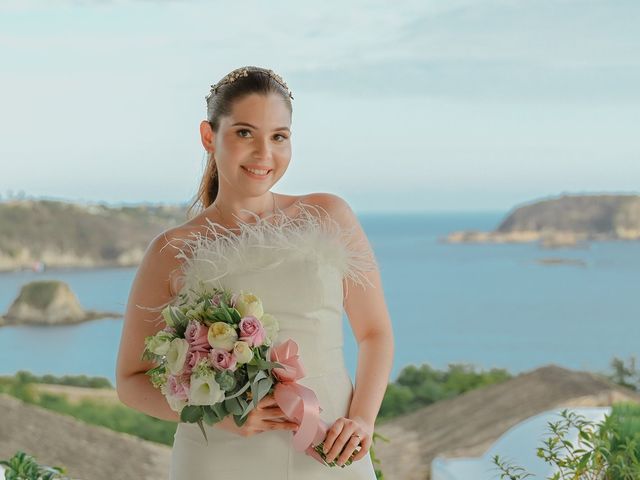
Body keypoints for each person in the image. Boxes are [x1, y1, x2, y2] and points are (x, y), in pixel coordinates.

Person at [115, 66, 394, 479]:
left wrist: (363, 421)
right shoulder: (172, 249)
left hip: (328, 451)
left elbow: (375, 334)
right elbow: (130, 382)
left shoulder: (329, 215)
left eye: (279, 136)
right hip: (216, 458)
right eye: (245, 133)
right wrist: (214, 414)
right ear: (209, 137)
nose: (265, 154)